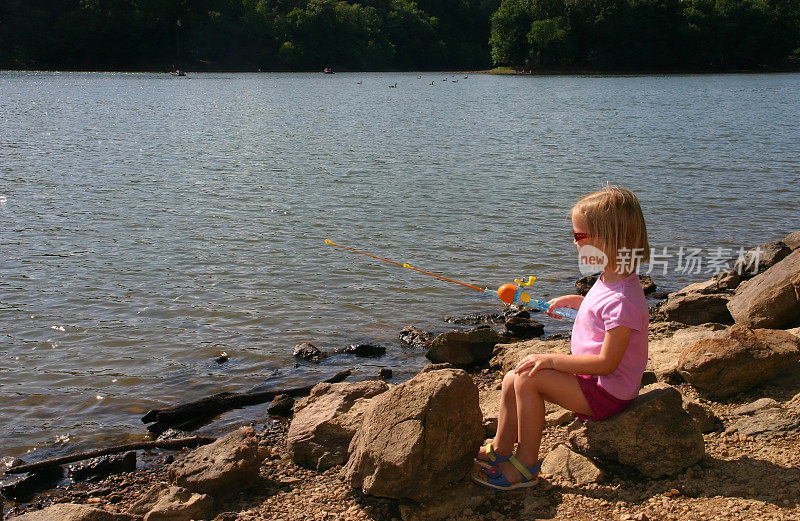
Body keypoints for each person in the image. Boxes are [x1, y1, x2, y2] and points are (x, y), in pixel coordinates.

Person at [472, 186, 650, 491]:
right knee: (516, 376)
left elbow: (607, 363)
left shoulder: (625, 301)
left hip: (607, 393)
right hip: (593, 383)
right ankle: (501, 449)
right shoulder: (610, 278)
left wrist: (553, 360)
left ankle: (526, 465)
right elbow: (601, 310)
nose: (574, 241)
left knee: (529, 380)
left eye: (579, 236)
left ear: (607, 239)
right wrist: (576, 302)